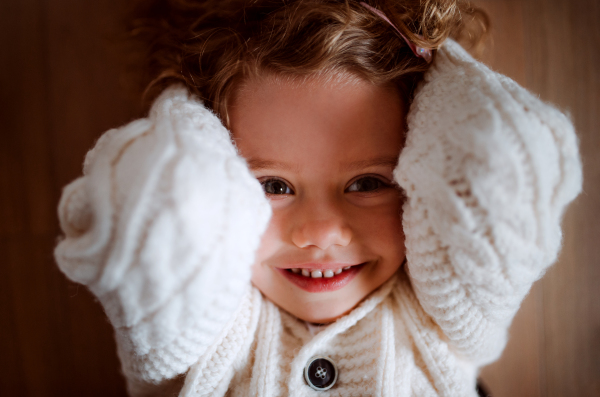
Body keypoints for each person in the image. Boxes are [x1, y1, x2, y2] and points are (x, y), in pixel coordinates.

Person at [54, 1, 582, 396]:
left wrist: (432, 61)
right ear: (212, 161)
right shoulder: (209, 312)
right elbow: (154, 217)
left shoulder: (445, 306)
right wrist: (184, 109)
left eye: (368, 183)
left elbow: (504, 171)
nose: (321, 232)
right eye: (274, 186)